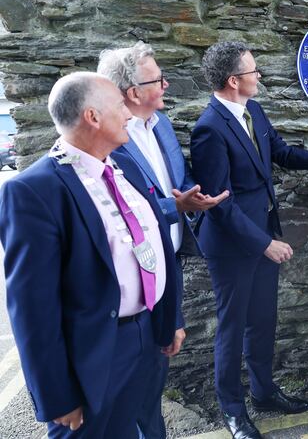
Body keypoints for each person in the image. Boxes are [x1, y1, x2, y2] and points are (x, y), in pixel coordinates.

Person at [190, 41, 308, 439]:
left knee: (263, 320)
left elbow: (280, 152)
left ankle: (264, 393)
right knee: (232, 329)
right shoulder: (208, 130)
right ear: (234, 81)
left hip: (263, 231)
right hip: (233, 246)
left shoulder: (253, 110)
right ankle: (233, 412)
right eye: (254, 71)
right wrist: (264, 244)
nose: (260, 76)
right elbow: (219, 205)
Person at [0, 72, 180, 438]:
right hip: (94, 355)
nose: (128, 114)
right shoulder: (34, 191)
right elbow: (32, 307)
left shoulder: (123, 165)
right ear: (92, 117)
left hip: (145, 339)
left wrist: (168, 317)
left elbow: (153, 241)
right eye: (119, 106)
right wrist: (56, 395)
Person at [97, 42, 229, 439]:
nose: (166, 84)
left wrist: (193, 198)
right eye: (157, 79)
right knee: (126, 391)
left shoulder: (162, 124)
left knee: (157, 372)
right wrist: (177, 207)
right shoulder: (110, 141)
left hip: (167, 265)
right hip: (130, 280)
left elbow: (177, 181)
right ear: (132, 92)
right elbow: (126, 208)